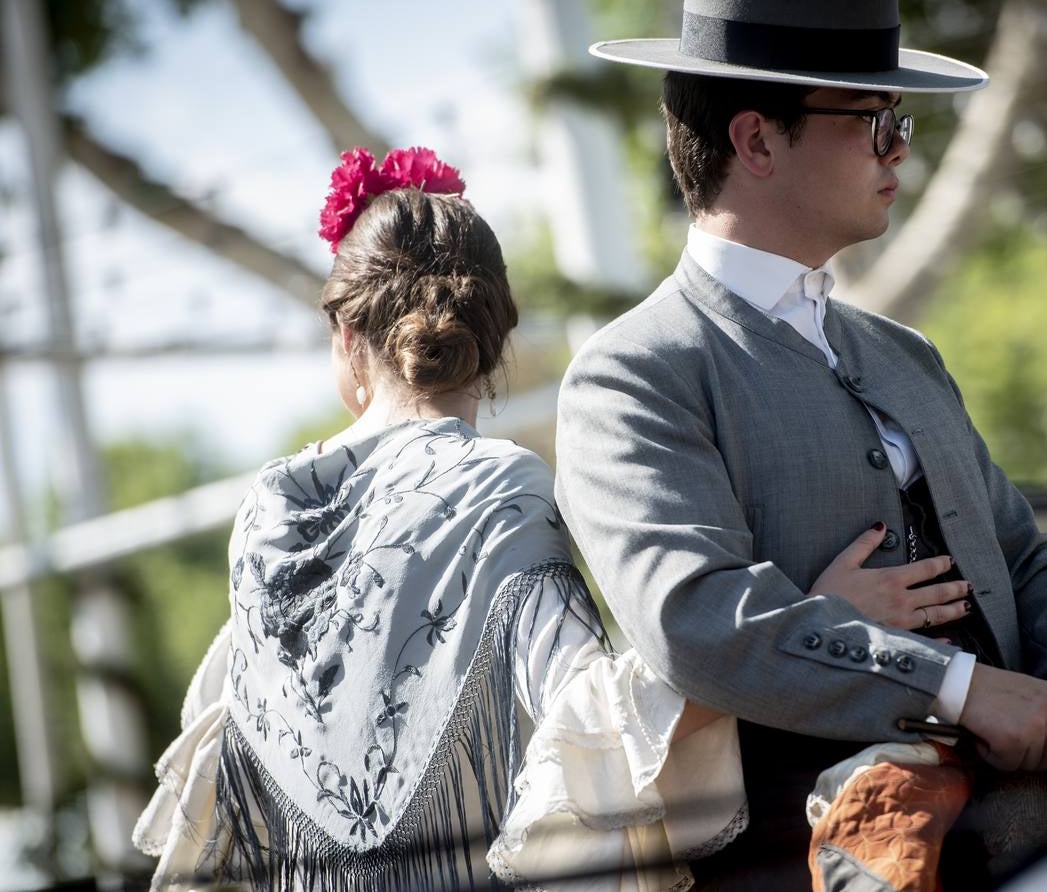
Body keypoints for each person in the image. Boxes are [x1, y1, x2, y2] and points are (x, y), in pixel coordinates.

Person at [555, 0, 1047, 887]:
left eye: (900, 120)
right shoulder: (633, 374)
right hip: (815, 847)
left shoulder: (905, 355)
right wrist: (953, 689)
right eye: (873, 120)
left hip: (1042, 803)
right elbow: (690, 619)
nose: (900, 148)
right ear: (757, 141)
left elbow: (1025, 557)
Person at [131, 146, 740, 892]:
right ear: (493, 343)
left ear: (348, 337)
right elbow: (593, 734)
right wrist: (785, 628)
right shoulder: (502, 486)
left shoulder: (268, 510)